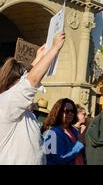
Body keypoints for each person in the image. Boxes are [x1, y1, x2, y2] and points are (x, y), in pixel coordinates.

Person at [0, 32, 65, 165]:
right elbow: (31, 79)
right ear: (16, 82)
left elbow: (27, 78)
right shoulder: (6, 102)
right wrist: (54, 49)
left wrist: (39, 57)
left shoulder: (14, 103)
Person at [42, 98, 86, 165]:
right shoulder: (52, 133)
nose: (70, 113)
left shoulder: (74, 130)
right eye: (66, 111)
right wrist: (80, 142)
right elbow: (61, 158)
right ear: (58, 112)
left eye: (72, 111)